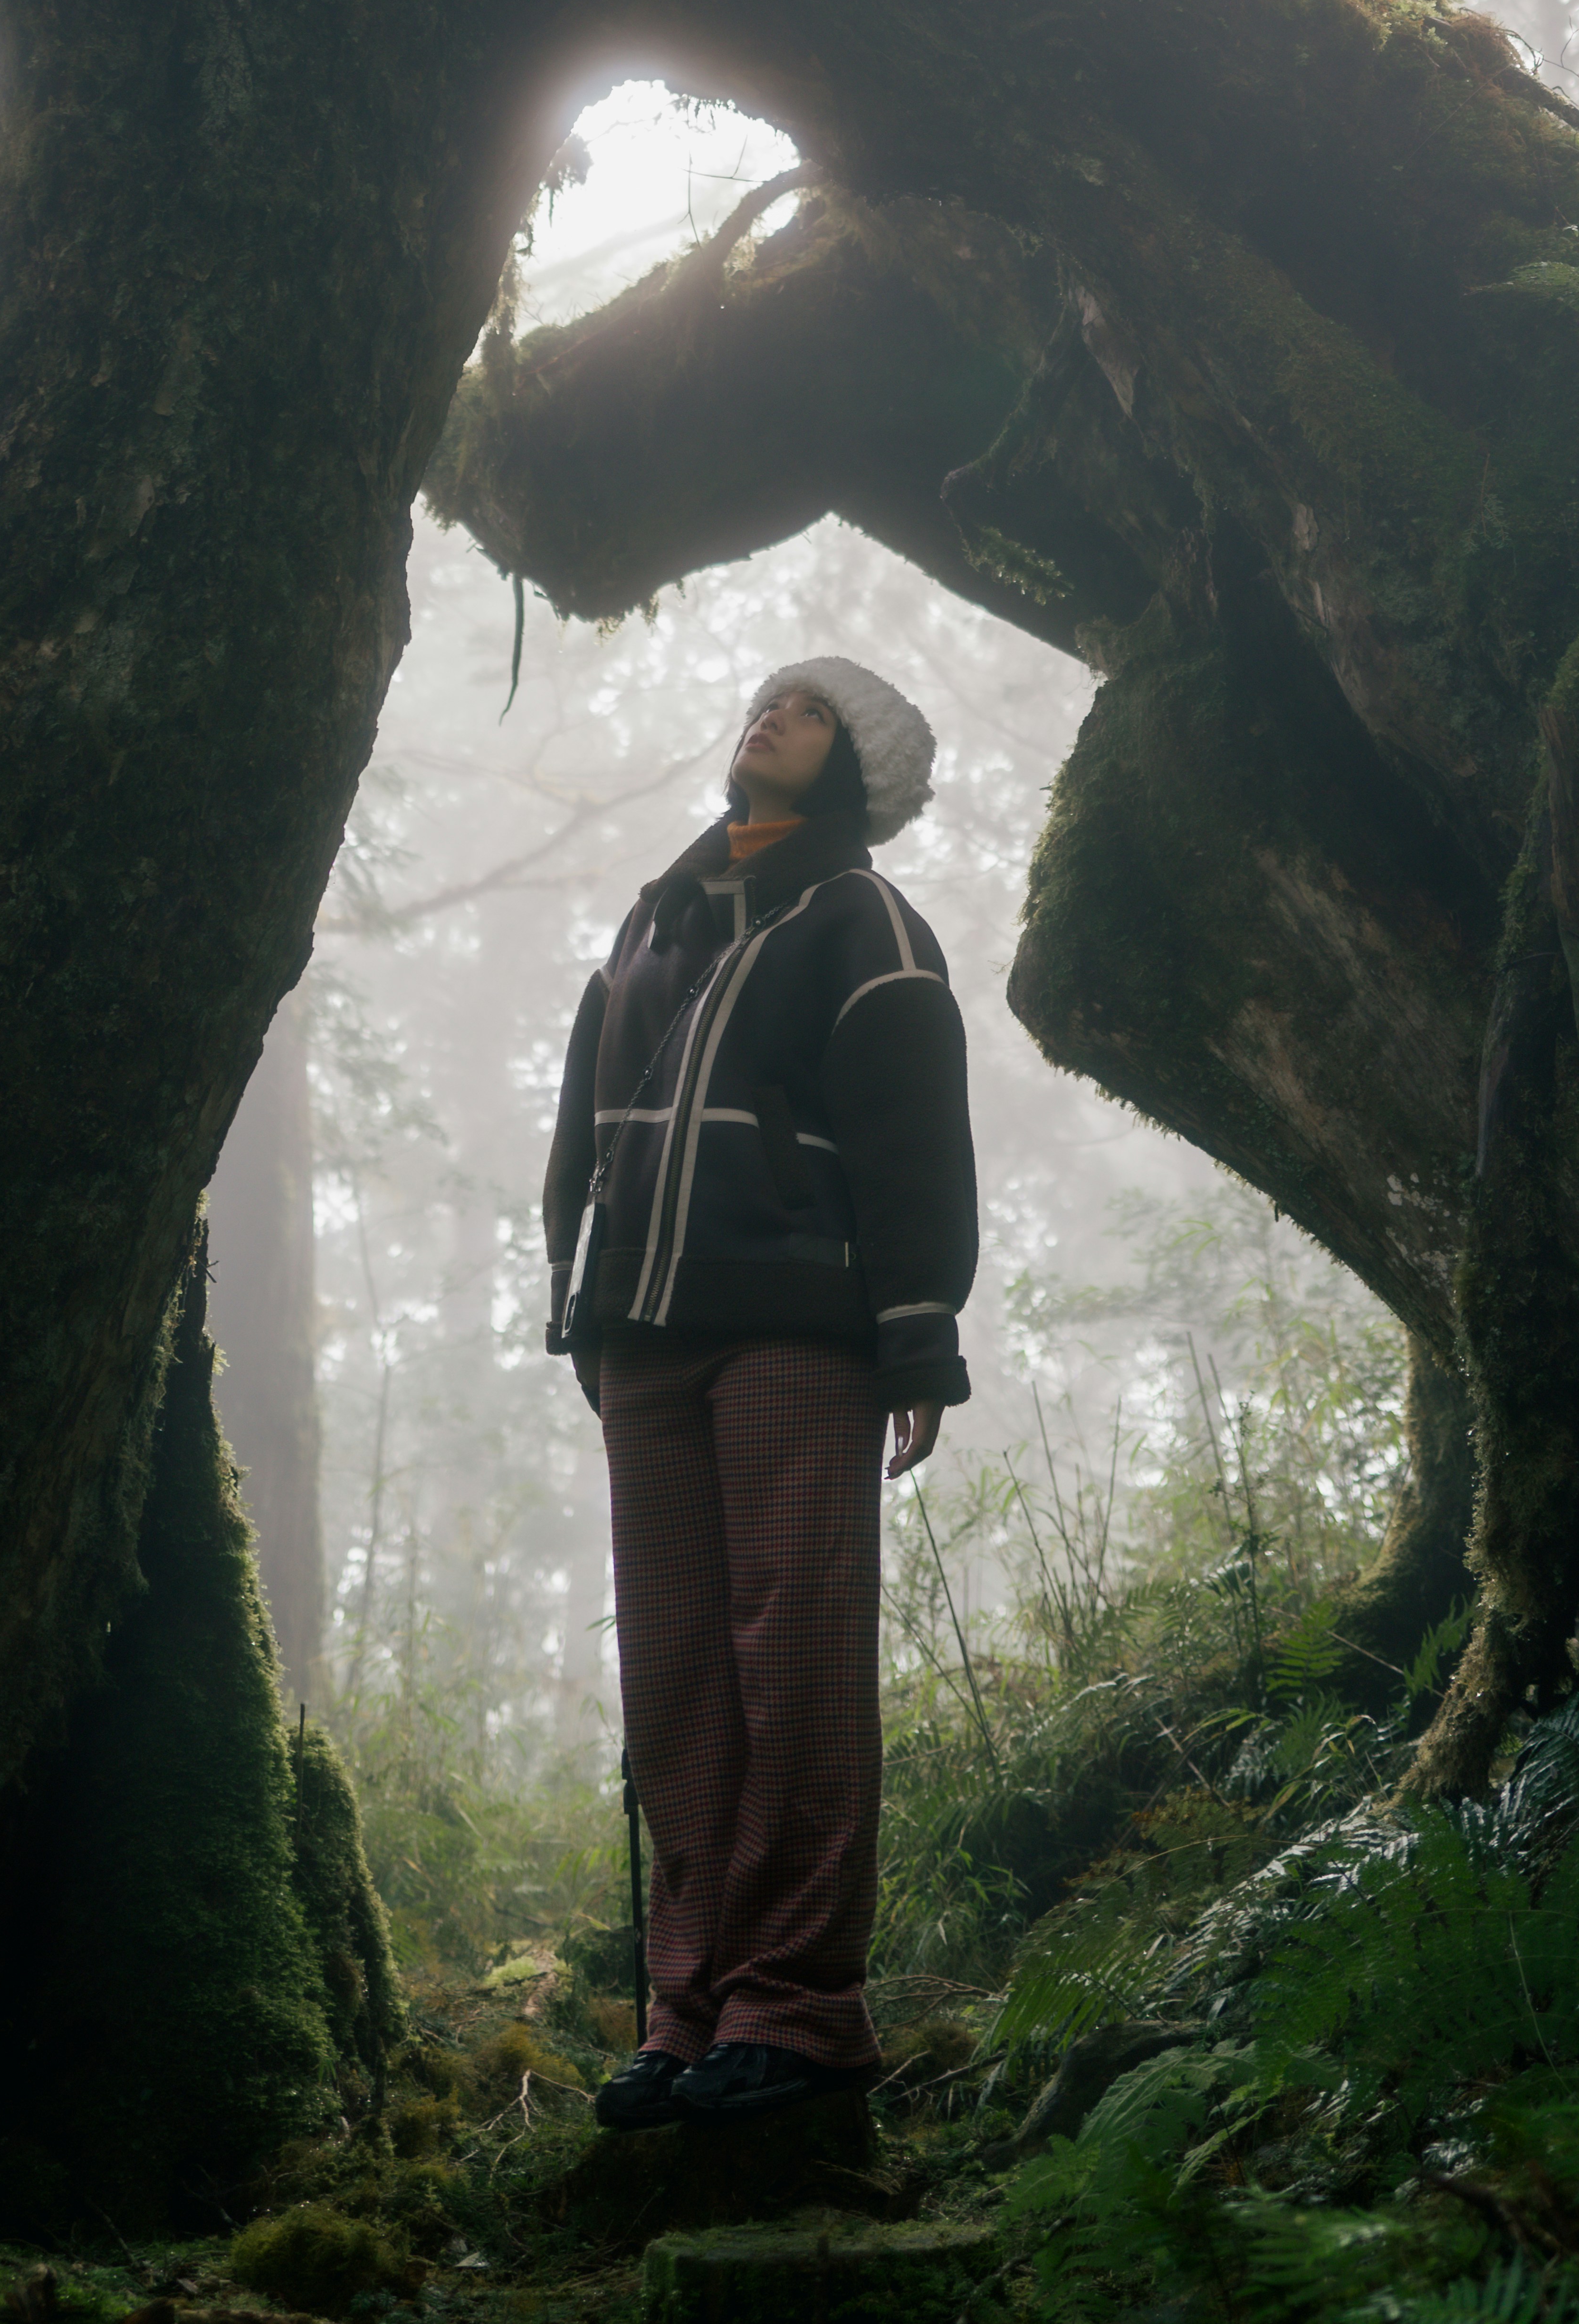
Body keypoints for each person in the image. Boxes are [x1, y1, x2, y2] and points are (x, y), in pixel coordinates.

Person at [542, 657, 976, 2129]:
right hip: (645, 1339)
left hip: (798, 1327)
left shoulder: (862, 918)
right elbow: (583, 1120)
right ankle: (689, 2009)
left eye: (811, 707)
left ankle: (798, 2010)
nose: (771, 712)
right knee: (674, 1674)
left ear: (853, 765)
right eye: (766, 696)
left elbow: (916, 1127)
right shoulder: (656, 919)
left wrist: (920, 1333)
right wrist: (577, 1303)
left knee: (793, 1652)